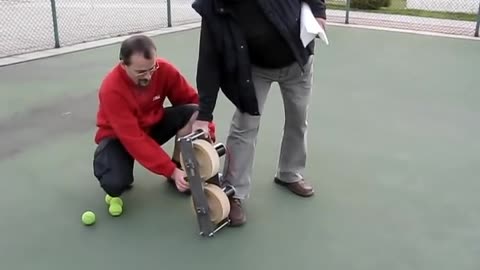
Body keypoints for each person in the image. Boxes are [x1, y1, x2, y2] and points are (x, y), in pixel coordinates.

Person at [191, 0, 327, 226]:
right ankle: (234, 192)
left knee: (297, 120)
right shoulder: (214, 5)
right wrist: (204, 115)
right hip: (253, 70)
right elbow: (209, 59)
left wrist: (319, 12)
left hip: (297, 62)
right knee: (245, 126)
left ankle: (289, 173)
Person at [92, 35, 215, 211]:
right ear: (123, 65)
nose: (149, 76)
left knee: (194, 113)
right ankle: (112, 162)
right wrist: (169, 170)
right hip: (119, 137)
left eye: (152, 68)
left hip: (151, 127)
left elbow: (193, 101)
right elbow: (134, 139)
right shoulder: (111, 89)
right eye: (141, 72)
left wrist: (207, 131)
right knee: (115, 185)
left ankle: (181, 166)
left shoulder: (164, 70)